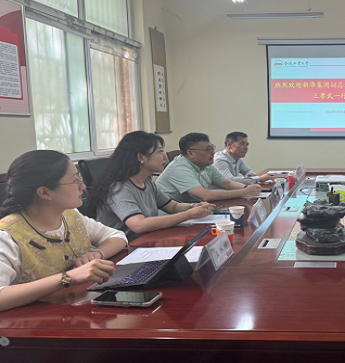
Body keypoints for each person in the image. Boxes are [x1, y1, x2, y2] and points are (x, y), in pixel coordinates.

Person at [0, 150, 127, 311]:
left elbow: (117, 236)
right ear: (45, 192)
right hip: (35, 320)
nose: (83, 186)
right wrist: (68, 278)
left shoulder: (70, 216)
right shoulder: (7, 235)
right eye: (74, 181)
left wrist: (96, 254)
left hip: (73, 309)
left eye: (80, 178)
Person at [89, 131, 216, 241]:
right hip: (123, 249)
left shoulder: (146, 182)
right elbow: (139, 225)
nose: (165, 157)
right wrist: (188, 214)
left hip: (146, 240)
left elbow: (173, 206)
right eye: (160, 152)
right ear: (140, 157)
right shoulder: (119, 188)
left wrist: (194, 206)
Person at [156, 132, 262, 202]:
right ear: (191, 153)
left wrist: (247, 188)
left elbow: (228, 184)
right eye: (208, 149)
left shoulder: (206, 165)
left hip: (192, 210)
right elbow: (205, 195)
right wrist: (243, 192)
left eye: (212, 148)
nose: (213, 152)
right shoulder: (179, 168)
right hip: (168, 216)